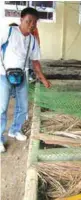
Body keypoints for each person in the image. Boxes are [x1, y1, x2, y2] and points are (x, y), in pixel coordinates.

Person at [0, 7, 51, 153]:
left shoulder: (32, 40)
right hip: (3, 75)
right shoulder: (9, 32)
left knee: (23, 106)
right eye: (28, 21)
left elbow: (35, 62)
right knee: (2, 108)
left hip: (22, 75)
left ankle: (15, 130)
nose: (31, 25)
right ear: (21, 20)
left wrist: (43, 79)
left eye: (34, 23)